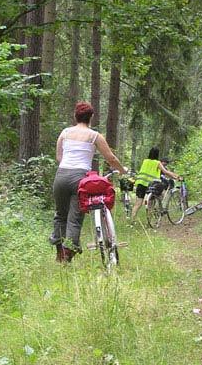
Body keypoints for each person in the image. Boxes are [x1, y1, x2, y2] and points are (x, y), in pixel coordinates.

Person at [50, 101, 126, 262]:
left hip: (61, 175)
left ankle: (59, 253)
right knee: (75, 218)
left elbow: (59, 157)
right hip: (80, 178)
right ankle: (67, 254)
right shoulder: (94, 136)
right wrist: (122, 170)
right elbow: (110, 158)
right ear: (91, 117)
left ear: (75, 116)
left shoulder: (64, 133)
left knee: (60, 215)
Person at [131, 148, 179, 221]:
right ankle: (149, 222)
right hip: (151, 185)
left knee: (138, 204)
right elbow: (165, 172)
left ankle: (132, 220)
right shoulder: (157, 163)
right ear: (157, 154)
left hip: (141, 184)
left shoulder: (145, 161)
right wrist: (175, 176)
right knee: (151, 204)